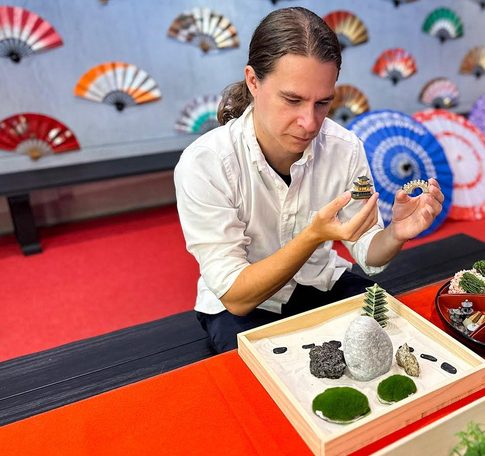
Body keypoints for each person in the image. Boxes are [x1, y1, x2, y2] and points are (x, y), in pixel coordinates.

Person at [174, 7, 445, 353]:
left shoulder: (345, 148)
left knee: (396, 338)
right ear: (253, 81)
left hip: (319, 283)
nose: (310, 122)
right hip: (242, 306)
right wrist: (313, 235)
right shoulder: (206, 162)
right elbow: (236, 296)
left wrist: (395, 234)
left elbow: (367, 253)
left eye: (323, 103)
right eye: (293, 100)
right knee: (268, 388)